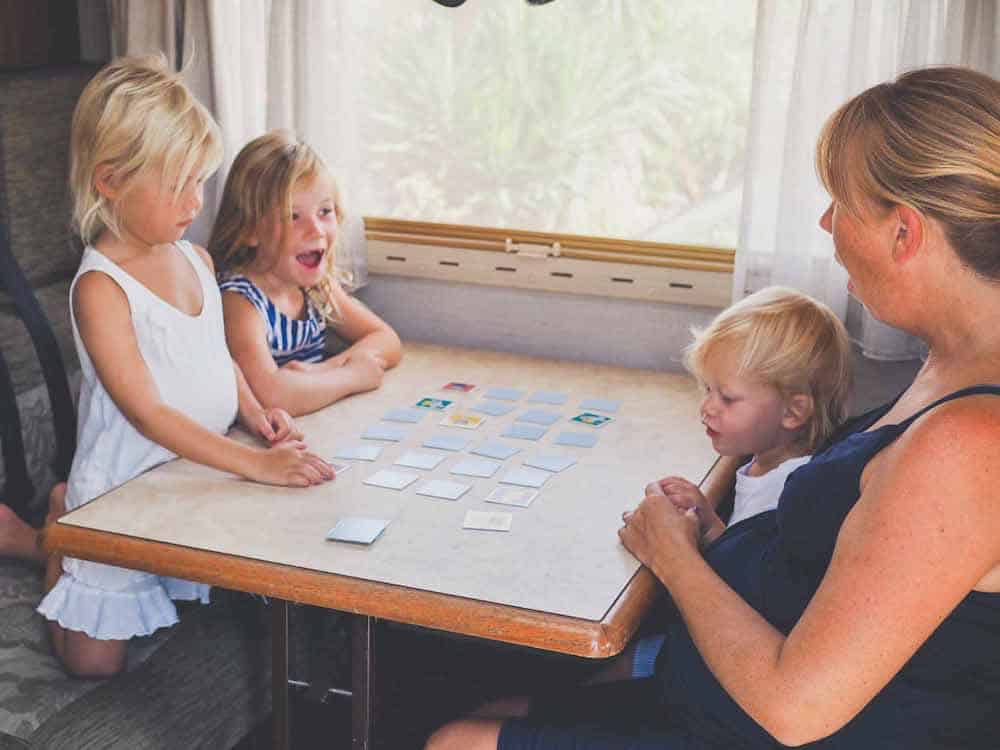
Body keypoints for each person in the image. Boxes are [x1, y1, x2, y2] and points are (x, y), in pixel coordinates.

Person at [426, 65, 1000, 749]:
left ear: (903, 233)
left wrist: (675, 558)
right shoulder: (947, 365)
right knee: (486, 700)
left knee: (457, 739)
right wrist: (716, 538)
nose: (825, 223)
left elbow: (795, 709)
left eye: (840, 204)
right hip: (717, 691)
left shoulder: (969, 441)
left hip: (767, 727)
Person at [35, 56, 335, 679]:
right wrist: (256, 465)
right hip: (121, 493)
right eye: (178, 186)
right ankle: (55, 534)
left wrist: (257, 414)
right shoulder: (101, 289)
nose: (196, 202)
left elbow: (216, 352)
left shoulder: (195, 258)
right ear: (111, 181)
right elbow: (147, 412)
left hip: (186, 479)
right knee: (94, 665)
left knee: (178, 597)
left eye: (200, 182)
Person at [208, 130, 402, 417]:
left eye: (325, 211)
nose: (316, 230)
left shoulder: (317, 288)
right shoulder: (241, 302)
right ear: (250, 229)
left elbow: (387, 340)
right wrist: (352, 377)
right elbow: (272, 396)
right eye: (292, 216)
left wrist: (321, 370)